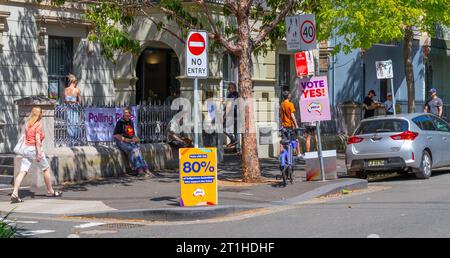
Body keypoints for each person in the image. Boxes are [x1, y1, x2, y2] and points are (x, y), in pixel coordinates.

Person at [11, 107, 62, 203]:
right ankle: (50, 191)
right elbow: (38, 141)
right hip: (34, 149)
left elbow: (26, 137)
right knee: (46, 169)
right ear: (40, 114)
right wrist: (39, 153)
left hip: (26, 150)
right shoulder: (38, 125)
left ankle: (14, 193)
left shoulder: (27, 124)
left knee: (23, 171)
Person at [113, 107, 152, 177]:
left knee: (138, 149)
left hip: (129, 141)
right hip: (121, 141)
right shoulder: (120, 122)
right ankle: (139, 169)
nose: (126, 114)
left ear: (130, 114)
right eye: (125, 113)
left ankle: (145, 168)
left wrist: (136, 139)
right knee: (133, 150)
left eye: (127, 113)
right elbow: (116, 135)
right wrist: (127, 140)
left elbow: (131, 134)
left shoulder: (130, 122)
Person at [280, 91, 301, 156]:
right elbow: (292, 115)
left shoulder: (282, 104)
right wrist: (296, 125)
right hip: (290, 125)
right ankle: (299, 154)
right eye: (290, 95)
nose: (290, 96)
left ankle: (282, 154)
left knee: (283, 141)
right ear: (288, 96)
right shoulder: (290, 104)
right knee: (296, 139)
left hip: (284, 125)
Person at [64, 74, 82, 144]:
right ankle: (76, 141)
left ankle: (70, 141)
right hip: (75, 109)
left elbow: (65, 101)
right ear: (74, 82)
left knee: (69, 125)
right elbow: (80, 101)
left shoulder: (66, 90)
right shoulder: (77, 90)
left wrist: (69, 101)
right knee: (76, 124)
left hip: (68, 109)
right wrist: (76, 102)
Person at [223, 82, 239, 148]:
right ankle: (238, 148)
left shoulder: (230, 95)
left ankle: (233, 139)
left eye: (228, 88)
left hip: (231, 116)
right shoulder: (238, 94)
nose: (228, 90)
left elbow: (229, 107)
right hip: (239, 116)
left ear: (231, 88)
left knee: (223, 128)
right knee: (236, 132)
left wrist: (223, 117)